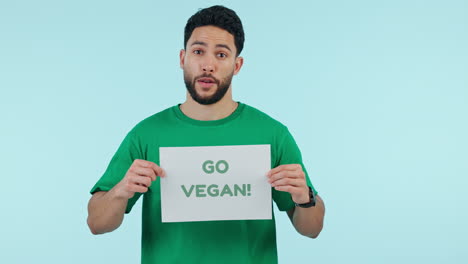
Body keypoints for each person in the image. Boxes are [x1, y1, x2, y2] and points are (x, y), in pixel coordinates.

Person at [87, 5, 325, 264]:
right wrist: (121, 190)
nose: (208, 65)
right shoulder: (145, 135)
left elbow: (311, 229)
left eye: (221, 54)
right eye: (198, 51)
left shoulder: (272, 134)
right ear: (182, 58)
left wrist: (305, 198)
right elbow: (97, 224)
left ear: (237, 65)